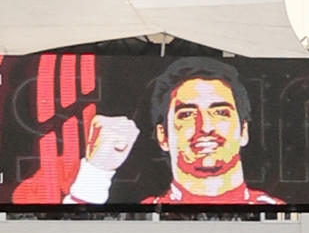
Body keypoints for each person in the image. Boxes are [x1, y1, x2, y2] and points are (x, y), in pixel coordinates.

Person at [63, 57, 285, 206]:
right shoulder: (143, 214)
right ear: (163, 136)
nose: (205, 126)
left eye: (220, 113)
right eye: (187, 115)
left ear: (243, 131)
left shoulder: (277, 212)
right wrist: (97, 171)